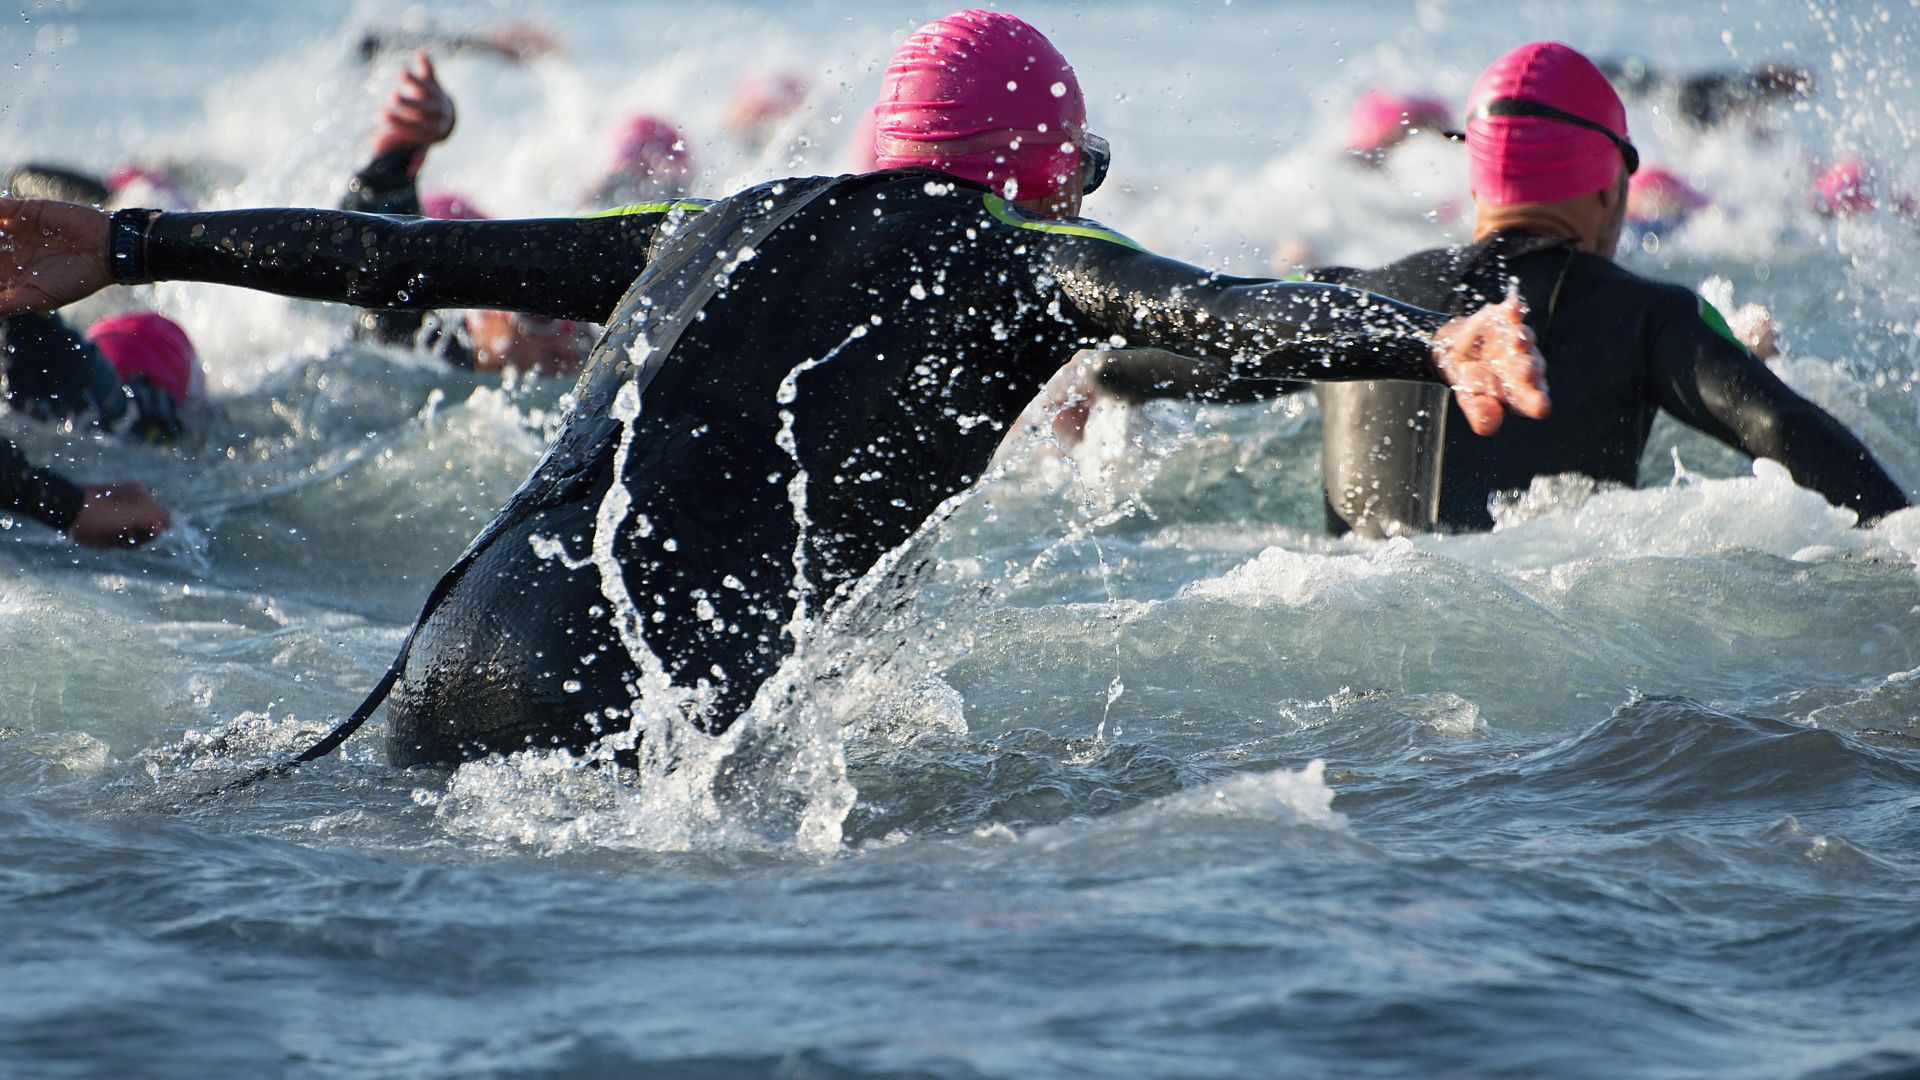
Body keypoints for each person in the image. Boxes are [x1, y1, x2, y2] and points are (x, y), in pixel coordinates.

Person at [0, 9, 1547, 768]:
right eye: (1074, 173)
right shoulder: (1017, 259)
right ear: (1032, 171)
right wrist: (1421, 339)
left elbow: (394, 259)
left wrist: (134, 239)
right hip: (621, 687)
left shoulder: (712, 223)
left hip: (455, 637)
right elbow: (1213, 309)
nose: (1077, 198)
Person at [1085, 41, 1907, 538]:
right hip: (1531, 649)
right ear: (1610, 191)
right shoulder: (1652, 318)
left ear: (1478, 187)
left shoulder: (1353, 298)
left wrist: (1095, 382)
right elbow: (1785, 427)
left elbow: (1164, 366)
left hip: (1343, 627)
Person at [340, 51, 595, 377]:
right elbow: (373, 245)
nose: (567, 345)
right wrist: (403, 148)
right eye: (542, 315)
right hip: (442, 226)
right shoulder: (422, 342)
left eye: (585, 327)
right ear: (489, 316)